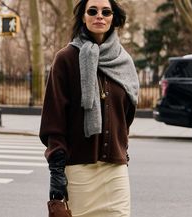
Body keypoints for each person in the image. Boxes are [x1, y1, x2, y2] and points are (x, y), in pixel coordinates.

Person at [39, 0, 139, 216]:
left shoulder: (124, 61)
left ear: (114, 18)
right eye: (92, 11)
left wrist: (121, 146)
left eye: (106, 11)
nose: (99, 16)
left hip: (115, 170)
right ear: (83, 17)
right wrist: (57, 173)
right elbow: (53, 121)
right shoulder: (66, 59)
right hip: (79, 171)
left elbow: (127, 114)